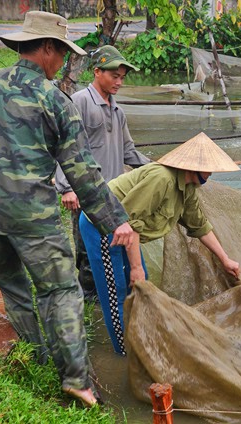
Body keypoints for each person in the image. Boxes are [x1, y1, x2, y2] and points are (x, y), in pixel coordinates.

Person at [0, 11, 136, 407]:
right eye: (62, 54)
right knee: (61, 290)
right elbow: (83, 175)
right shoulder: (54, 100)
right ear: (47, 50)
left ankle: (39, 355)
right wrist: (116, 222)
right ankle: (75, 379)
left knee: (14, 288)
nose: (63, 63)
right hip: (32, 218)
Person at [79, 132, 241, 356]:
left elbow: (200, 225)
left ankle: (141, 338)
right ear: (193, 167)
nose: (212, 174)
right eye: (209, 168)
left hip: (126, 230)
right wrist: (134, 268)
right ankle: (125, 353)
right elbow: (128, 221)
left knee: (141, 286)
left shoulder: (188, 189)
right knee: (115, 291)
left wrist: (225, 259)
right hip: (104, 226)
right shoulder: (162, 178)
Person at [55, 45, 150, 301]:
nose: (119, 82)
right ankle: (88, 296)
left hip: (114, 192)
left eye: (122, 77)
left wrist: (155, 167)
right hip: (86, 191)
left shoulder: (117, 110)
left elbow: (128, 151)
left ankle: (106, 294)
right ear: (97, 72)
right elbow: (65, 145)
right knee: (87, 249)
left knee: (113, 245)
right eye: (113, 76)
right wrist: (66, 187)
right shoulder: (80, 101)